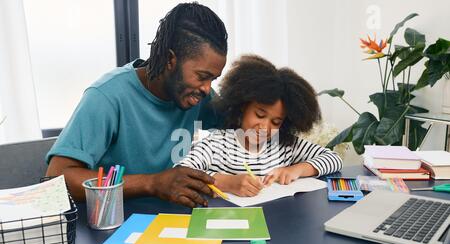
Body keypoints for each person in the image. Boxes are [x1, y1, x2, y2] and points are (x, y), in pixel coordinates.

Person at [46, 3, 228, 208]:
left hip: (172, 222)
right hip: (113, 224)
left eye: (213, 79)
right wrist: (151, 183)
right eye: (202, 77)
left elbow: (242, 125)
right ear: (170, 59)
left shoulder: (197, 94)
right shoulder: (107, 96)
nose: (206, 88)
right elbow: (56, 178)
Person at [177, 55, 343, 197]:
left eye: (276, 122)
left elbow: (333, 159)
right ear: (242, 106)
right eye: (260, 115)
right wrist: (227, 182)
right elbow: (182, 173)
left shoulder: (285, 145)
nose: (265, 127)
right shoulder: (217, 144)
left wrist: (296, 170)